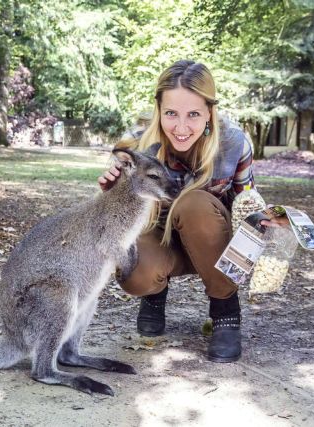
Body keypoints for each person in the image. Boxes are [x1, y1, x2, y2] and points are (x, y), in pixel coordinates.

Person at [98, 60, 284, 363]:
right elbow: (114, 221)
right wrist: (113, 194)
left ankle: (225, 311)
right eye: (171, 113)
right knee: (134, 274)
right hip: (159, 237)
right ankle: (154, 294)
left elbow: (245, 201)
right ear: (158, 108)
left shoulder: (233, 142)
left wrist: (266, 217)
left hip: (210, 237)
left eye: (193, 114)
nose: (181, 127)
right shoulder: (137, 145)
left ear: (210, 111)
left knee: (193, 202)